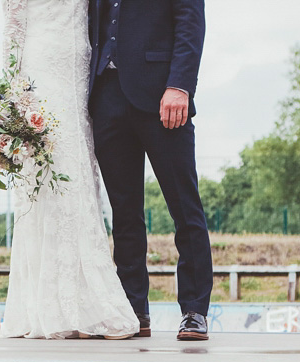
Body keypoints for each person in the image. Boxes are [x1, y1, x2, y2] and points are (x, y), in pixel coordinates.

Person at [0, 0, 139, 340]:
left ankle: (81, 302)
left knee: (81, 174)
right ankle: (54, 307)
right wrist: (12, 93)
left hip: (81, 70)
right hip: (42, 68)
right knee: (51, 175)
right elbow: (13, 26)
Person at [88, 0, 214, 340]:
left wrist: (181, 86)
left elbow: (191, 22)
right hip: (106, 95)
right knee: (124, 213)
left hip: (163, 94)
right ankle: (133, 309)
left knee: (184, 207)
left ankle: (194, 310)